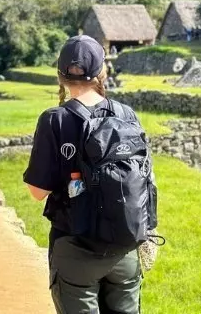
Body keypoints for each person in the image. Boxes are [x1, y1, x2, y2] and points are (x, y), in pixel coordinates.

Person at [24, 35, 152, 314]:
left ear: (61, 76)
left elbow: (37, 191)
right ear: (102, 72)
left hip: (75, 248)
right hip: (124, 245)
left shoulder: (54, 119)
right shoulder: (126, 114)